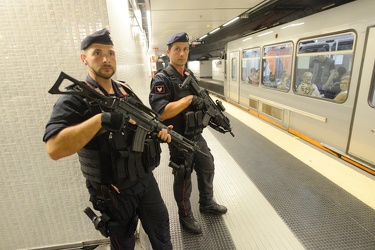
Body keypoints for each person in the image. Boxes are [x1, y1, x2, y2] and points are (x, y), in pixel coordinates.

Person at [43, 29, 173, 250]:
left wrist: (158, 132)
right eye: (97, 53)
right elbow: (54, 148)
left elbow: (141, 125)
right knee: (123, 242)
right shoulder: (76, 98)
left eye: (111, 53)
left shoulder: (124, 90)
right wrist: (100, 120)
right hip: (114, 189)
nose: (106, 59)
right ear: (84, 58)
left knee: (161, 230)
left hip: (144, 179)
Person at [149, 32, 227, 234]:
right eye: (177, 49)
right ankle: (185, 215)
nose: (182, 53)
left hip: (196, 134)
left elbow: (198, 100)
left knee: (207, 165)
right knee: (183, 178)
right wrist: (189, 100)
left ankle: (207, 203)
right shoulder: (162, 79)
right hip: (178, 138)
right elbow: (161, 113)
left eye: (185, 49)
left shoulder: (189, 75)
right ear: (168, 52)